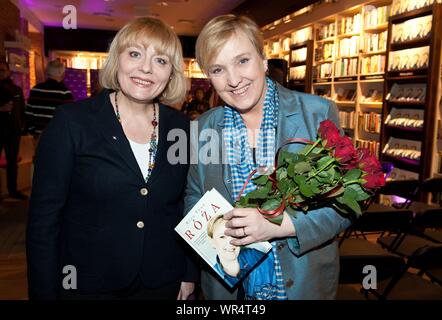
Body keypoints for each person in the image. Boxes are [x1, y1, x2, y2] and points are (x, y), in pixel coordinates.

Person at [27, 17, 197, 300]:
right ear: (117, 60)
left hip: (161, 282)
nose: (146, 68)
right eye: (135, 54)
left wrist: (188, 273)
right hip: (88, 283)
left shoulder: (181, 127)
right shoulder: (72, 122)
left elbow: (184, 203)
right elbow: (44, 221)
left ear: (171, 74)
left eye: (161, 61)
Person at [185, 14, 352, 300]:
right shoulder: (202, 128)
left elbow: (346, 203)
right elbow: (194, 195)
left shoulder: (316, 113)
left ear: (263, 60)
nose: (234, 80)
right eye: (218, 69)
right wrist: (215, 231)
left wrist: (278, 226)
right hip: (230, 291)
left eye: (242, 61)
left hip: (301, 286)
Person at [207, 214, 271, 292]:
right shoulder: (213, 276)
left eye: (234, 235)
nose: (230, 242)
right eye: (222, 237)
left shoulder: (253, 255)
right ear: (212, 242)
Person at [0, 61, 27, 200]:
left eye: (3, 70)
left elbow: (22, 109)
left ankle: (13, 190)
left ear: (9, 72)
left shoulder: (16, 90)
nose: (1, 73)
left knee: (12, 162)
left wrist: (21, 125)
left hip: (13, 131)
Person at [25, 60, 74, 137]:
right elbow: (70, 117)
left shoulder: (35, 90)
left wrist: (32, 131)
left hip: (38, 135)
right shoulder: (64, 92)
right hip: (58, 136)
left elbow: (29, 113)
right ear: (61, 74)